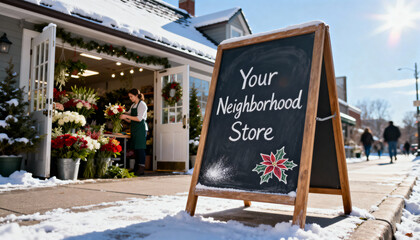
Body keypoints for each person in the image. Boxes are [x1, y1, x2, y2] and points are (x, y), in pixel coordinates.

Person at [120, 88, 148, 175]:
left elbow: (139, 118)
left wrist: (125, 116)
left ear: (136, 95)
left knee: (140, 149)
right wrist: (119, 111)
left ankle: (141, 168)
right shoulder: (133, 105)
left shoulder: (142, 105)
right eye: (129, 97)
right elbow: (128, 114)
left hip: (141, 129)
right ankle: (136, 168)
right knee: (135, 149)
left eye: (131, 96)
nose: (130, 98)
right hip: (135, 129)